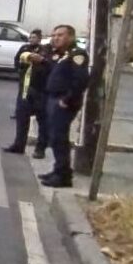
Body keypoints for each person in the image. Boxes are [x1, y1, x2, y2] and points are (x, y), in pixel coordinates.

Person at [39, 24, 90, 188]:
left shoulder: (77, 54)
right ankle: (58, 170)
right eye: (54, 35)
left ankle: (63, 176)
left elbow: (81, 80)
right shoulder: (61, 55)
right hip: (53, 98)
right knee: (54, 138)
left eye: (60, 35)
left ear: (71, 37)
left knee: (59, 138)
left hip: (63, 102)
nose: (56, 38)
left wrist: (66, 100)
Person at [2, 30, 51, 159]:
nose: (31, 39)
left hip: (40, 90)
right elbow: (17, 61)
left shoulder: (45, 51)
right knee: (22, 118)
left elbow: (50, 67)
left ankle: (40, 149)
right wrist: (22, 63)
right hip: (25, 89)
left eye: (34, 37)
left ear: (39, 39)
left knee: (43, 121)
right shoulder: (24, 48)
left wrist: (40, 61)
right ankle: (18, 145)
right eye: (30, 37)